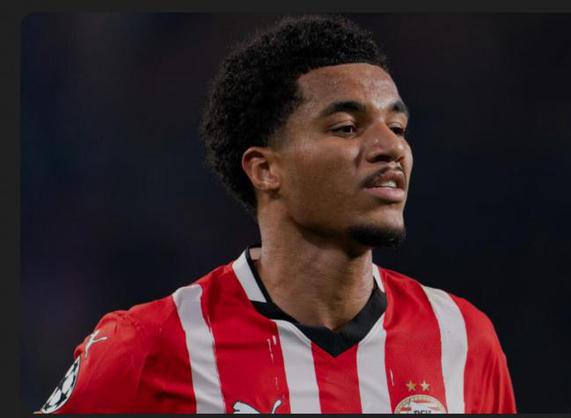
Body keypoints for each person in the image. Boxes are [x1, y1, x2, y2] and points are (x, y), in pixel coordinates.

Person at [39, 15, 516, 414]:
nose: (390, 147)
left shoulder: (462, 338)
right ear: (265, 170)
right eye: (346, 127)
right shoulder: (151, 345)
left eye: (397, 127)